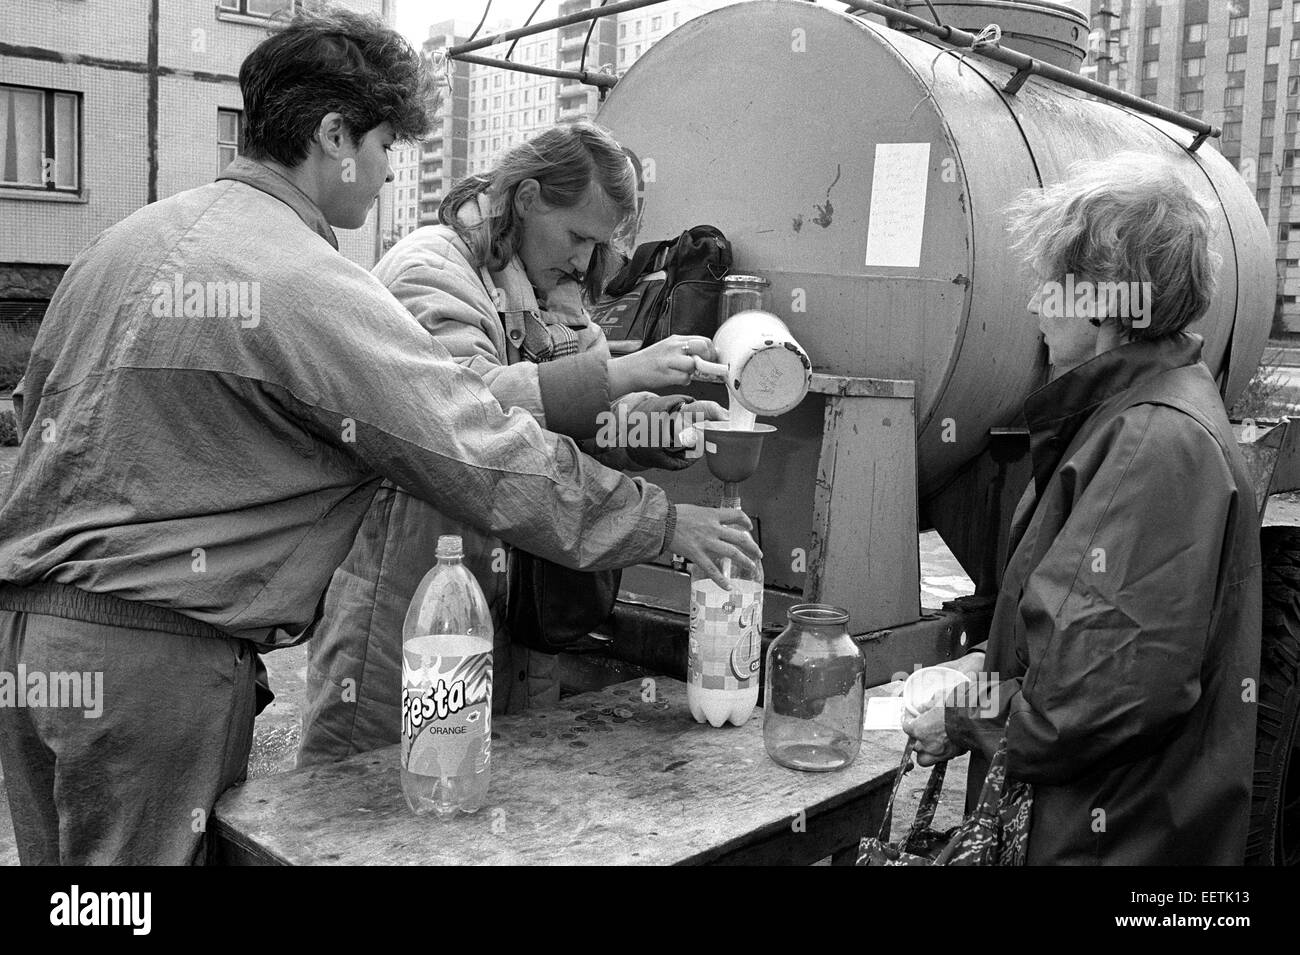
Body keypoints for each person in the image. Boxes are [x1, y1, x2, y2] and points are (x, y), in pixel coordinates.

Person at [0, 9, 758, 865]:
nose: (390, 171)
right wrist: (660, 522)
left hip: (29, 641)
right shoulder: (308, 281)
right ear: (333, 135)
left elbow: (35, 416)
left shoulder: (118, 245)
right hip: (155, 666)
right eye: (386, 145)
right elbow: (473, 445)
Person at [299, 123, 723, 764]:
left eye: (599, 244)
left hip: (517, 605)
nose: (586, 260)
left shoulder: (559, 301)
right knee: (374, 791)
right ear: (526, 199)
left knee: (496, 801)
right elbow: (473, 424)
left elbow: (573, 431)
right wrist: (621, 376)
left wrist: (655, 427)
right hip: (407, 603)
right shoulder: (430, 273)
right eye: (578, 235)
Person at [902, 153, 1262, 865]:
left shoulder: (1154, 444)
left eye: (1047, 284)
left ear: (1102, 299)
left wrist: (964, 717)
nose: (1035, 304)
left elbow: (1100, 692)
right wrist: (991, 661)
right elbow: (1079, 633)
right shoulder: (1135, 417)